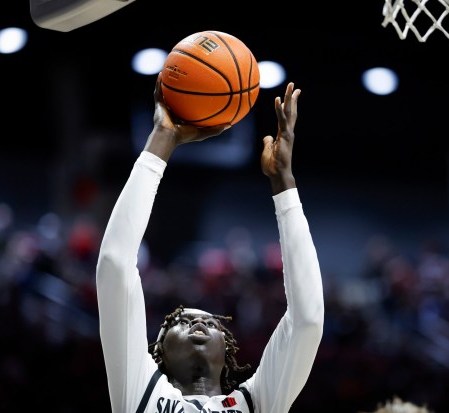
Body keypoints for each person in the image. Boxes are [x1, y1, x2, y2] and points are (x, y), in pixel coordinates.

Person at [96, 78, 324, 413]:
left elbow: (308, 320)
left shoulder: (257, 402)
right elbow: (115, 265)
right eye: (181, 321)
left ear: (228, 348)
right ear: (159, 351)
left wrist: (284, 184)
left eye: (213, 324)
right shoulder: (138, 390)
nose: (200, 324)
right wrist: (162, 138)